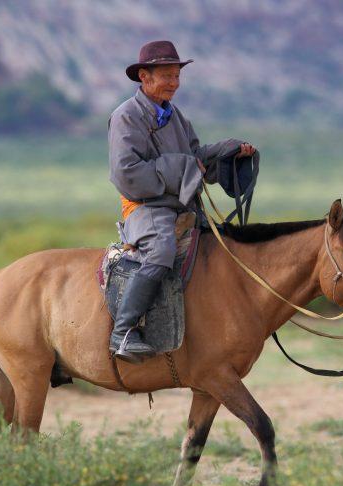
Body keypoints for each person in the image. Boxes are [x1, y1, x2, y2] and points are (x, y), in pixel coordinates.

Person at [108, 40, 256, 361]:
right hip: (145, 207)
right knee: (162, 251)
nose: (174, 83)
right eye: (166, 76)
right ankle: (123, 332)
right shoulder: (126, 116)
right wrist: (187, 167)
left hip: (180, 207)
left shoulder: (175, 115)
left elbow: (195, 157)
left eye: (176, 76)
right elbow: (126, 172)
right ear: (144, 77)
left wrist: (228, 151)